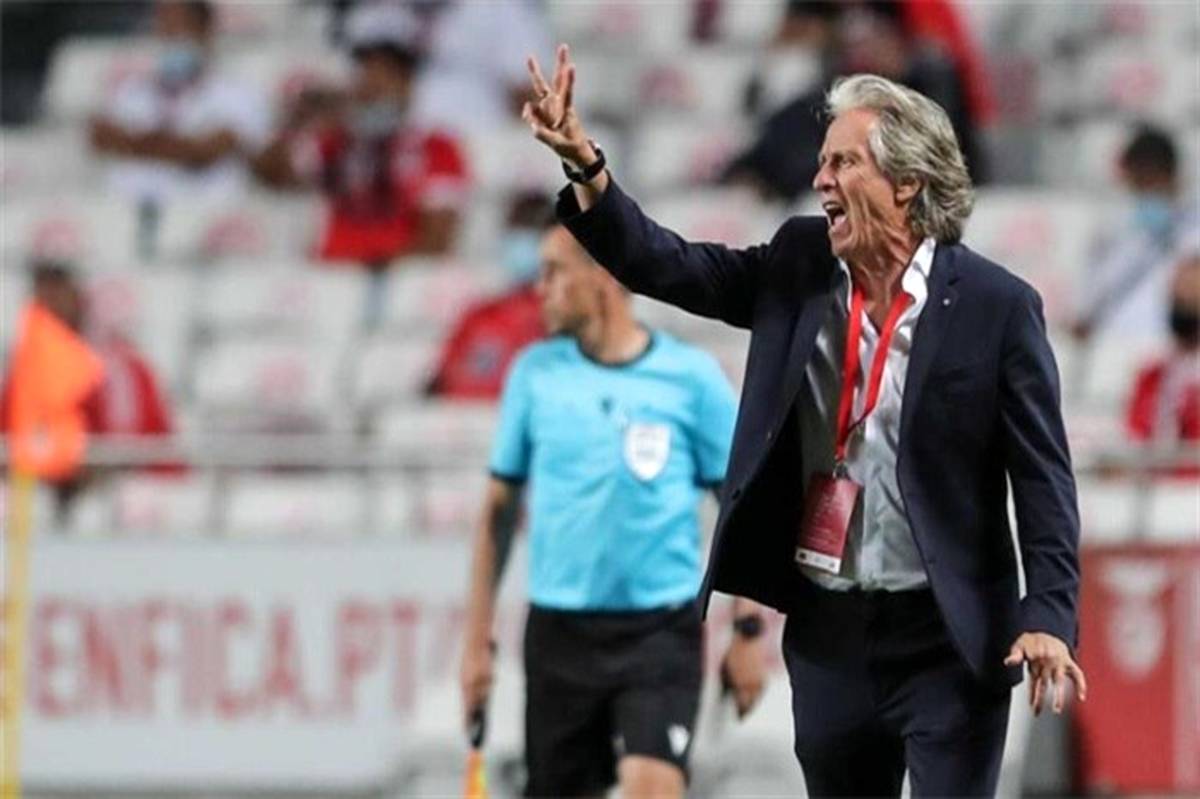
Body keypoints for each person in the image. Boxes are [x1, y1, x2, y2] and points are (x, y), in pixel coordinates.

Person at [523, 47, 1085, 796]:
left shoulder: (998, 307)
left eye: (843, 162)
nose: (820, 179)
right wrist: (586, 166)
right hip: (829, 633)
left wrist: (1048, 613)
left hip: (946, 634)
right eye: (822, 163)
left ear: (907, 182)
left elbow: (1044, 481)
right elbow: (668, 263)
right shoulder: (798, 262)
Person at [459, 223, 769, 798]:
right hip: (560, 633)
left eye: (553, 272)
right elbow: (497, 513)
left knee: (653, 787)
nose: (540, 289)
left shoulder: (690, 378)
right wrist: (477, 641)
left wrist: (749, 629)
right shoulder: (534, 375)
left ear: (602, 273)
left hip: (658, 632)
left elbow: (743, 506)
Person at [254, 2, 468, 267]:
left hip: (390, 277)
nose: (374, 84)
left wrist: (368, 274)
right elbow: (269, 172)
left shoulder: (438, 147)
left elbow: (436, 241)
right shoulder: (334, 142)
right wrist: (301, 120)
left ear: (409, 84)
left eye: (387, 73)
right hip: (330, 274)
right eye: (367, 71)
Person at [88, 0, 270, 208]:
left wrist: (133, 141)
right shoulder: (132, 91)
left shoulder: (239, 94)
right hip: (123, 215)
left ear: (205, 31)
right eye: (164, 28)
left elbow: (206, 151)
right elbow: (100, 136)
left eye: (179, 28)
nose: (170, 37)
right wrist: (179, 146)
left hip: (205, 216)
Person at [1073, 125, 1199, 340]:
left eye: (1149, 181)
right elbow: (1092, 295)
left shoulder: (1194, 231)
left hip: (1164, 344)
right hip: (1111, 344)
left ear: (1169, 175)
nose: (1142, 191)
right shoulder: (1115, 230)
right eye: (1136, 184)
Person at [427, 192, 550, 400]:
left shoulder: (570, 322)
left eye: (531, 230)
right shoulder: (478, 316)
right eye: (515, 230)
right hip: (463, 416)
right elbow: (438, 385)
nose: (521, 243)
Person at [1125, 253, 1200, 464]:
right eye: (1178, 297)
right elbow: (1134, 434)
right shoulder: (1153, 374)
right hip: (1153, 478)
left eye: (1192, 296)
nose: (1182, 304)